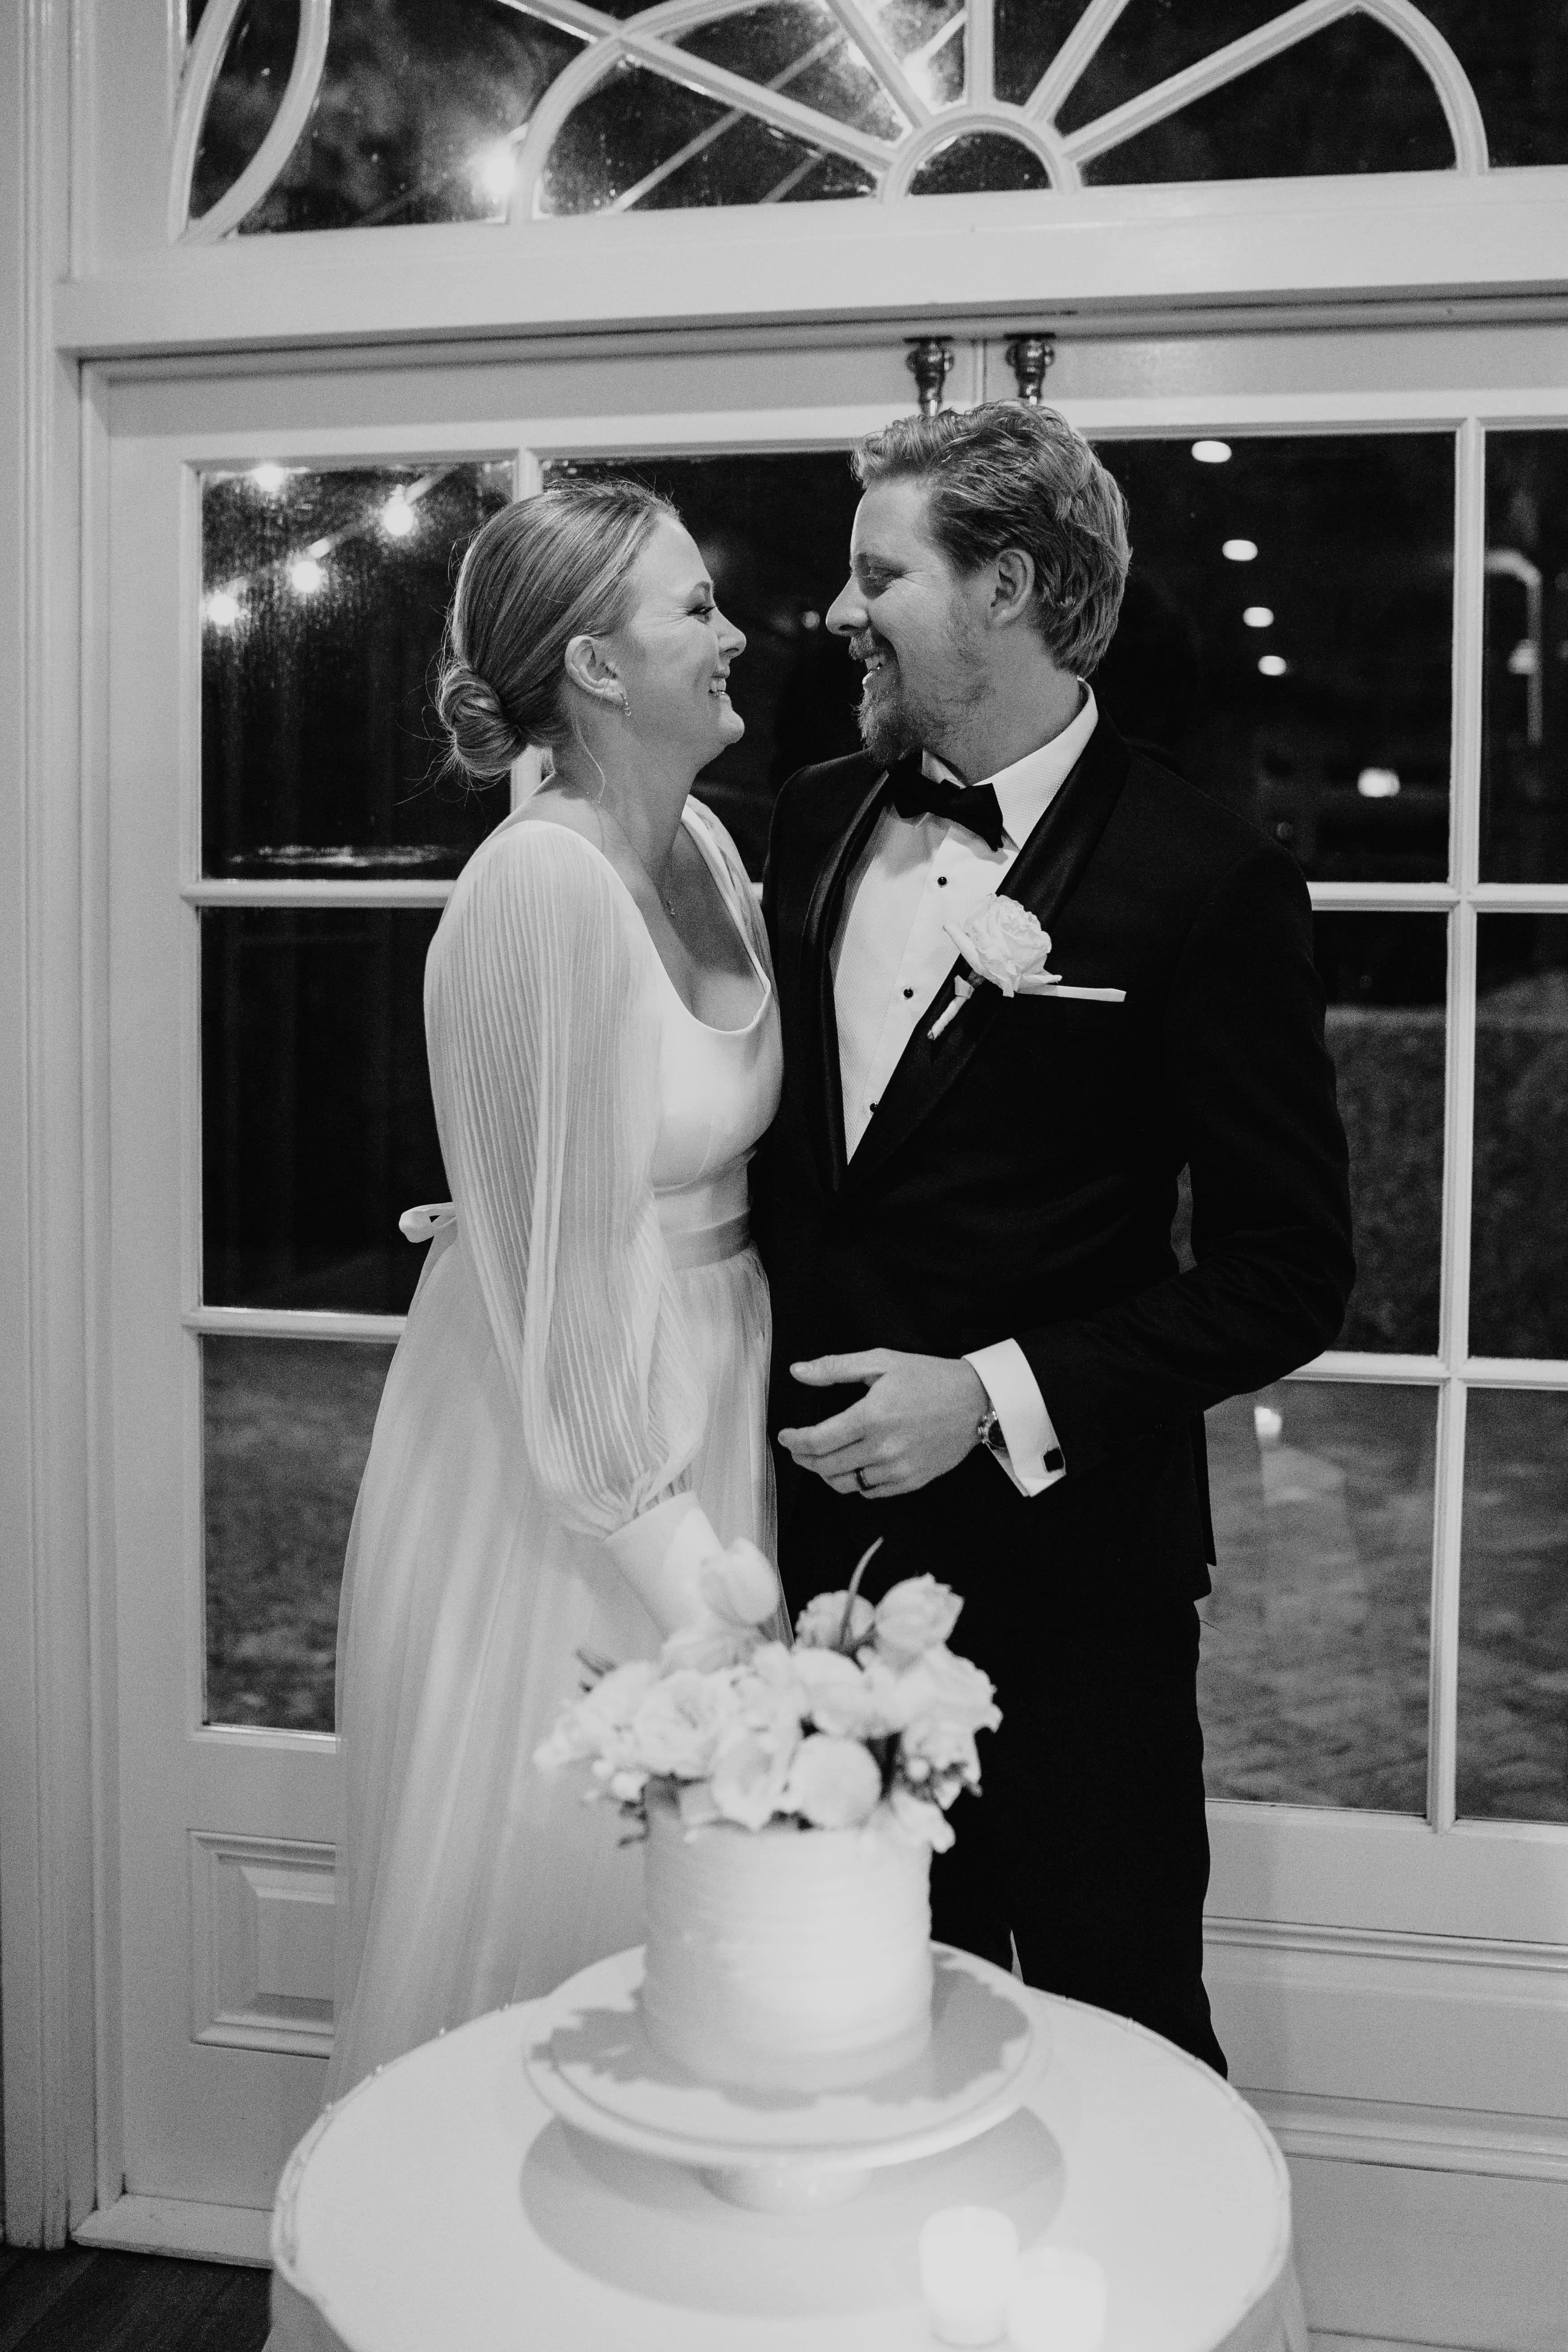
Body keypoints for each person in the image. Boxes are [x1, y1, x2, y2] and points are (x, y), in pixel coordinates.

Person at [751, 404, 1354, 2072]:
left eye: (881, 572)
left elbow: (1286, 1272)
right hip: (824, 1575)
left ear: (1004, 585)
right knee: (854, 2026)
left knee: (1121, 2035)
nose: (842, 607)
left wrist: (992, 1391)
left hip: (1075, 1589)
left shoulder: (1206, 879)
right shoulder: (809, 824)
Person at [325, 480, 784, 2102]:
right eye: (692, 610)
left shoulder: (708, 847)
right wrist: (685, 1572)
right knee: (562, 1882)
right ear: (594, 665)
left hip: (708, 1385)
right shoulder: (537, 888)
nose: (736, 635)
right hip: (566, 1461)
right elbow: (556, 1266)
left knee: (704, 1915)